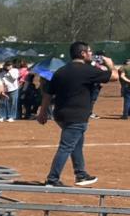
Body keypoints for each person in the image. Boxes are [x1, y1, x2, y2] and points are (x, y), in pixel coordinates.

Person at [38, 41, 116, 186]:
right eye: (90, 51)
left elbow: (48, 94)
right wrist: (110, 63)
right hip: (77, 116)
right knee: (66, 146)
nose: (91, 54)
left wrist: (42, 112)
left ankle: (81, 174)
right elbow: (114, 77)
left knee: (76, 144)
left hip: (61, 115)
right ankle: (52, 179)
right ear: (82, 53)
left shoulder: (61, 71)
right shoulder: (87, 70)